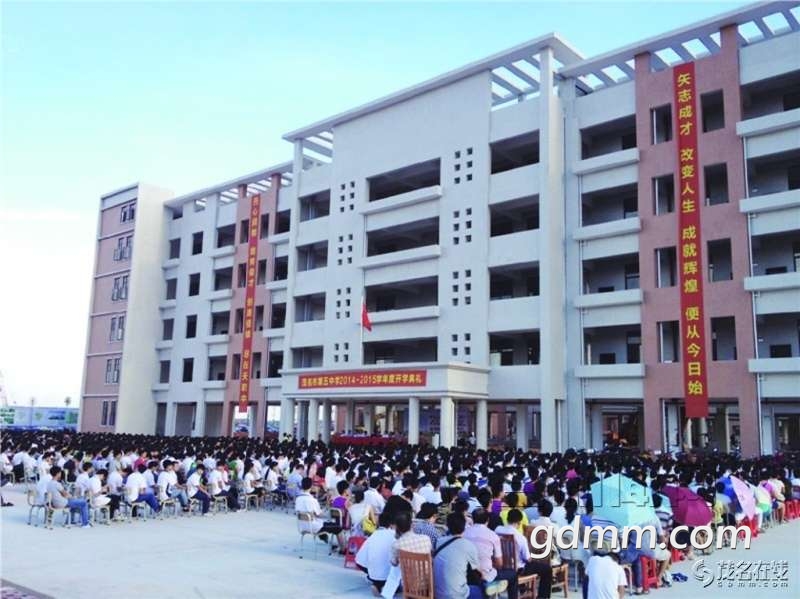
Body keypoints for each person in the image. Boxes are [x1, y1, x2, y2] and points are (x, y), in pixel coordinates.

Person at [434, 512, 507, 599]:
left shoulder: (439, 542)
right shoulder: (468, 545)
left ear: (447, 526)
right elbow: (479, 572)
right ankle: (489, 587)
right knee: (483, 591)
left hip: (438, 593)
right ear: (464, 526)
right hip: (458, 594)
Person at [496, 508, 553, 599]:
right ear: (519, 522)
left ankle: (523, 590)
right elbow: (527, 559)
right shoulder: (520, 537)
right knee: (547, 569)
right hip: (518, 569)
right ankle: (542, 597)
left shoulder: (498, 530)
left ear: (507, 519)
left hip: (502, 566)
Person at [463, 508, 518, 599]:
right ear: (488, 520)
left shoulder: (464, 533)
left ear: (473, 519)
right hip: (485, 574)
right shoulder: (492, 535)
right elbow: (499, 564)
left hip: (467, 573)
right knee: (512, 574)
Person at [295, 477, 344, 551]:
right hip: (313, 526)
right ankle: (343, 549)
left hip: (302, 526)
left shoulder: (298, 498)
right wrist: (327, 508)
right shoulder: (311, 500)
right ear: (311, 486)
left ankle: (330, 542)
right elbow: (320, 514)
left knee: (328, 524)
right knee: (338, 528)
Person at [355, 511, 396, 595]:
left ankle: (376, 583)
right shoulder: (394, 534)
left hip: (373, 572)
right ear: (392, 524)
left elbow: (359, 559)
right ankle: (383, 587)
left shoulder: (374, 534)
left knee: (378, 568)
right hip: (387, 572)